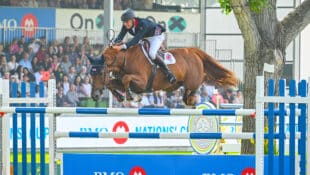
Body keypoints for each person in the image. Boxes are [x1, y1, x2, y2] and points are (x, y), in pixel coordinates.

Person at [112, 9, 176, 84]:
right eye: (124, 22)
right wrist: (113, 44)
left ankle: (168, 73)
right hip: (144, 37)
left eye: (127, 22)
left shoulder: (142, 24)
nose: (125, 24)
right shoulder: (126, 25)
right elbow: (120, 36)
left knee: (152, 53)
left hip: (156, 36)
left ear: (133, 20)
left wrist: (121, 47)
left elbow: (135, 40)